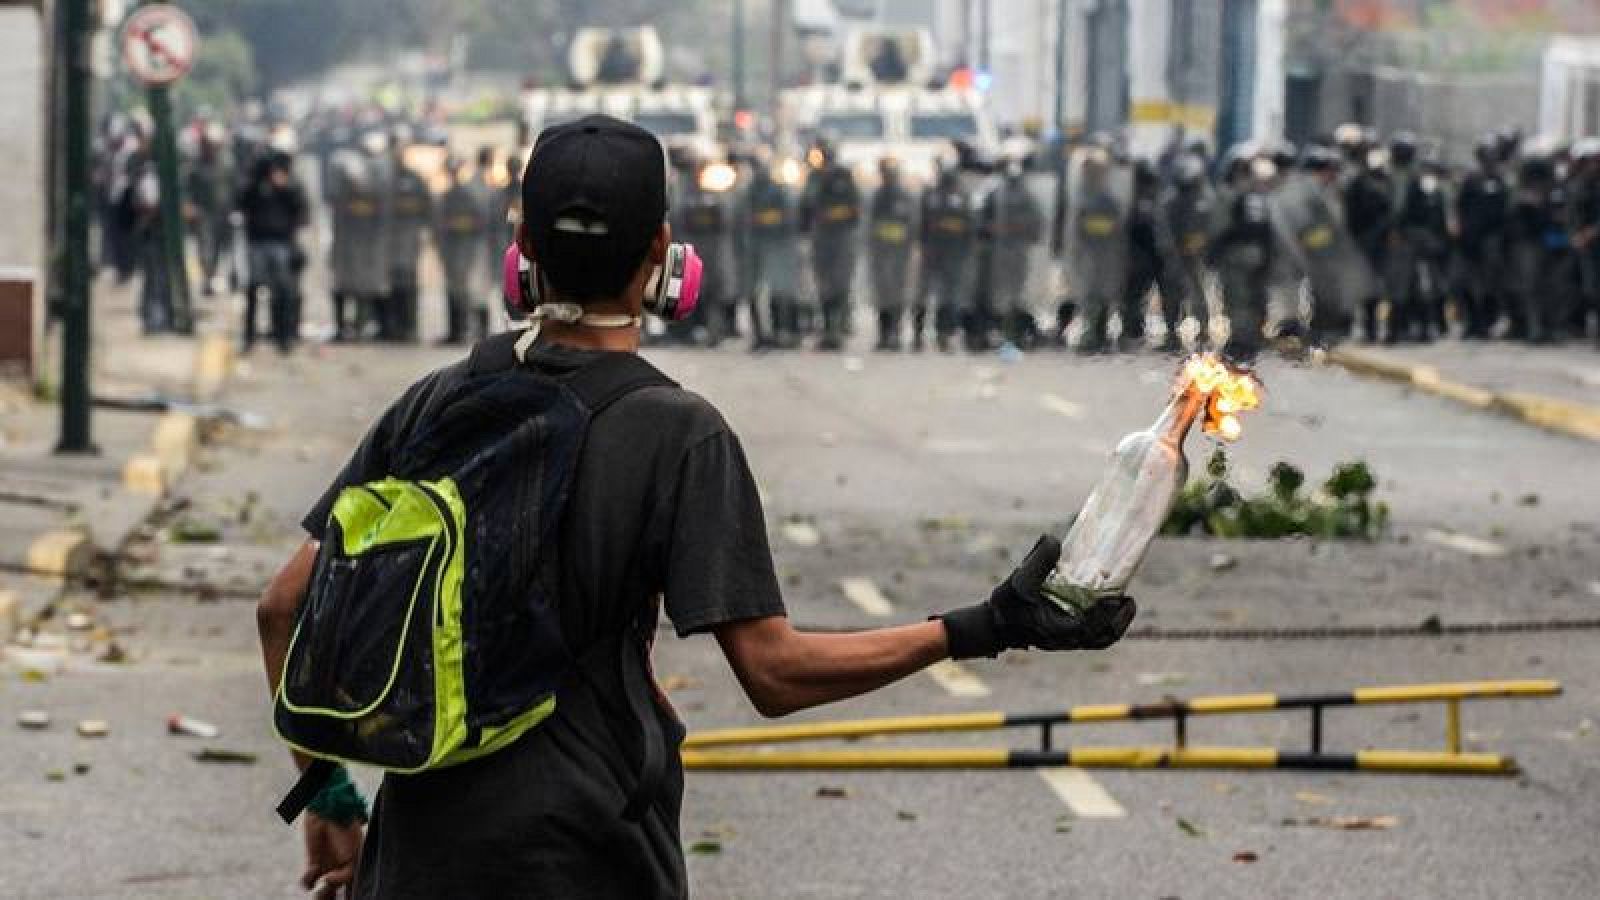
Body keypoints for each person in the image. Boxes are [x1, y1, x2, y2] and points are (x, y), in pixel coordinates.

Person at [256, 114, 1137, 899]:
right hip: (594, 847)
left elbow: (282, 608)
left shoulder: (434, 403)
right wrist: (983, 625)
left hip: (419, 855)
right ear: (666, 256)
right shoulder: (681, 434)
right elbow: (775, 672)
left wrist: (329, 799)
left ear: (519, 249)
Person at [236, 151, 309, 355]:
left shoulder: (290, 184)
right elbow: (241, 201)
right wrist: (254, 180)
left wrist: (285, 188)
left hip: (282, 243)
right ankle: (249, 336)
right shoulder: (255, 185)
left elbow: (301, 209)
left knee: (283, 292)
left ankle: (282, 336)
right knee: (253, 290)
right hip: (258, 242)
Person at [327, 132, 392, 343]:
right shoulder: (345, 166)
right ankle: (343, 326)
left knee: (362, 286)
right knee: (343, 284)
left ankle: (359, 326)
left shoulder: (382, 173)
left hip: (366, 240)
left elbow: (384, 211)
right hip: (348, 238)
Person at [799, 137, 862, 351]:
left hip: (841, 236)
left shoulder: (843, 176)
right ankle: (828, 328)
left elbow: (855, 208)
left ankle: (839, 326)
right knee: (824, 284)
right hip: (822, 237)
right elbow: (806, 206)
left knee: (840, 282)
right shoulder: (814, 177)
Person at [738, 147, 802, 350]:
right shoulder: (748, 192)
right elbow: (741, 220)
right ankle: (761, 335)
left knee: (778, 291)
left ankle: (778, 332)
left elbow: (789, 220)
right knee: (754, 292)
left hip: (774, 247)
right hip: (754, 248)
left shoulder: (778, 192)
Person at [982, 157, 1046, 349]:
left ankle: (1014, 332)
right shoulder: (993, 193)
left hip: (1018, 251)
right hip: (997, 252)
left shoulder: (1027, 197)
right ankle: (1001, 330)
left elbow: (1037, 224)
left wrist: (1020, 230)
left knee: (1017, 292)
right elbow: (982, 221)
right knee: (998, 293)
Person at [915, 161, 976, 352]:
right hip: (932, 252)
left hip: (953, 254)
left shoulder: (962, 198)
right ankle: (918, 335)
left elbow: (969, 228)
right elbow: (921, 224)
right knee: (923, 295)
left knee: (948, 297)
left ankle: (944, 335)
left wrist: (966, 251)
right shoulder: (930, 195)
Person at [1455, 136, 1511, 340]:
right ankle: (1472, 322)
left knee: (1491, 284)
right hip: (1471, 239)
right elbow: (1460, 207)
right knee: (1468, 283)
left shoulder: (1501, 180)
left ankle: (1486, 322)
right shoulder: (1470, 180)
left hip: (1493, 239)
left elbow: (1506, 209)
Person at [385, 131, 433, 343]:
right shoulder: (386, 179)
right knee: (390, 285)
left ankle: (409, 327)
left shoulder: (416, 180)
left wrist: (424, 232)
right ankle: (390, 327)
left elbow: (427, 208)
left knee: (409, 285)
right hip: (389, 241)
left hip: (410, 239)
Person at [435, 156, 490, 345]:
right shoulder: (446, 196)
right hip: (452, 249)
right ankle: (456, 329)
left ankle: (465, 329)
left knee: (466, 289)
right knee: (454, 288)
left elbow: (479, 223)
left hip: (466, 249)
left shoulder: (468, 196)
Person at [867, 156, 917, 351]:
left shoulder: (904, 196)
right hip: (881, 252)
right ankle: (884, 334)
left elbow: (912, 224)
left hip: (898, 253)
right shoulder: (878, 196)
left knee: (896, 293)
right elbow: (869, 224)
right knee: (882, 293)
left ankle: (894, 333)